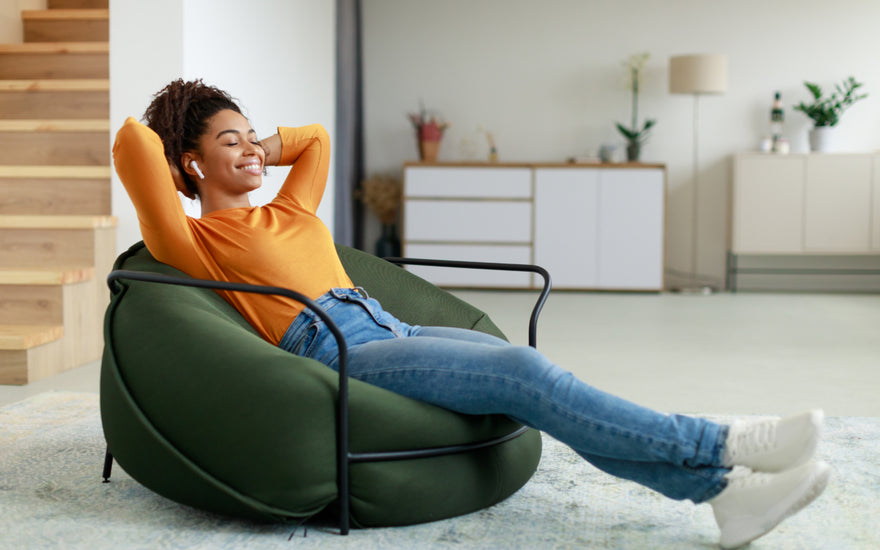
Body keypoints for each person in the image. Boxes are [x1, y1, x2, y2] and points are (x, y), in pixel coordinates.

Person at [113, 79, 830, 549]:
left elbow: (316, 142)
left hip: (390, 326)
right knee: (522, 370)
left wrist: (257, 144)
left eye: (251, 138)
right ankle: (724, 442)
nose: (251, 152)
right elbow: (132, 145)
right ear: (191, 163)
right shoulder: (194, 241)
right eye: (227, 142)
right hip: (337, 348)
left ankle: (722, 495)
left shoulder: (290, 209)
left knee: (541, 381)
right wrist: (185, 139)